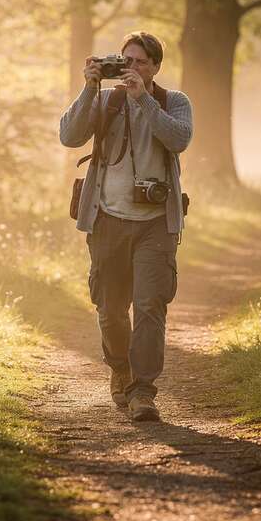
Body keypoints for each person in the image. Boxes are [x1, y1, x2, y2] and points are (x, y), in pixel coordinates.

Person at [59, 31, 193, 421]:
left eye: (140, 62)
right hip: (107, 219)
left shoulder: (174, 102)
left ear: (155, 67)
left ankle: (143, 391)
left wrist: (144, 99)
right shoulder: (105, 99)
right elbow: (69, 136)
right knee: (110, 308)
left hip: (155, 224)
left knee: (151, 306)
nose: (131, 69)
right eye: (126, 61)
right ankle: (120, 368)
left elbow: (179, 139)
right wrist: (90, 87)